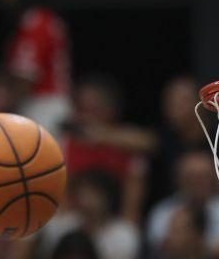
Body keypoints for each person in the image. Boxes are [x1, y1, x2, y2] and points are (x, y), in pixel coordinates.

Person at [62, 76, 155, 221]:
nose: (83, 116)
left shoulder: (126, 143)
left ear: (110, 110)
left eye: (91, 109)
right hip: (75, 220)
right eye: (80, 109)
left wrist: (101, 136)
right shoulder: (69, 143)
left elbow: (151, 142)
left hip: (114, 223)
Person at [0, 0, 72, 138]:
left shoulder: (36, 21)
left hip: (42, 108)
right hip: (51, 105)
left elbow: (26, 76)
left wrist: (4, 109)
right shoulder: (46, 19)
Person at [36, 171, 141, 259]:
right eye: (83, 192)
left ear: (107, 197)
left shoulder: (124, 234)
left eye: (93, 193)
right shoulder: (64, 225)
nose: (86, 198)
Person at [146, 151, 219, 259]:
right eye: (192, 177)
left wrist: (190, 247)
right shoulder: (162, 212)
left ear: (213, 179)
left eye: (203, 176)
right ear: (179, 179)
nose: (198, 182)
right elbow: (161, 247)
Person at [152, 75, 210, 202]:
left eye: (182, 101)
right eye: (170, 102)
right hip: (173, 208)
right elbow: (142, 139)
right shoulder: (165, 137)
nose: (174, 107)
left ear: (199, 102)